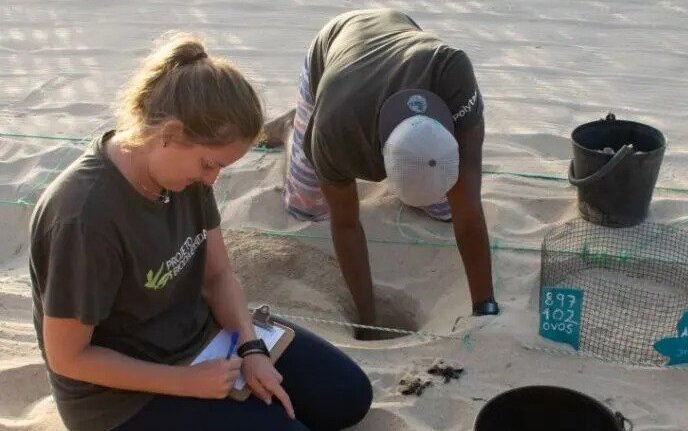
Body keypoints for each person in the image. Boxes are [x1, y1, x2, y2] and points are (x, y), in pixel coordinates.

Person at [29, 33, 371, 431]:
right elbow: (69, 357)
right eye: (209, 164)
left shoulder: (185, 178)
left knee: (348, 397)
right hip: (119, 399)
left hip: (202, 339)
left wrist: (251, 345)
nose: (212, 181)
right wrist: (184, 383)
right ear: (168, 134)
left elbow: (218, 274)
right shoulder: (84, 217)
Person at [261, 9, 500, 338]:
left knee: (446, 211)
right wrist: (368, 320)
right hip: (333, 55)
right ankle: (292, 126)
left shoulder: (452, 72)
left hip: (395, 35)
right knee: (306, 205)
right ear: (380, 160)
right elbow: (345, 225)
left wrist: (485, 307)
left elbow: (468, 205)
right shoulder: (337, 134)